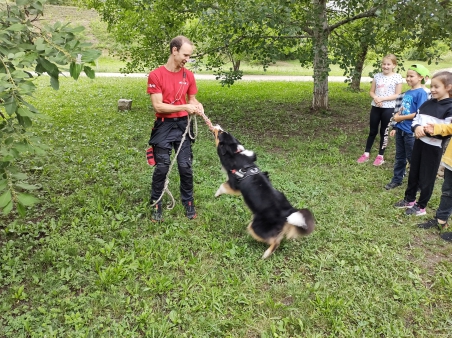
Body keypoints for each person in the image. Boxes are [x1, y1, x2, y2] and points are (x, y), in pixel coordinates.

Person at [147, 36, 203, 222]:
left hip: (182, 126)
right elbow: (158, 106)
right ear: (174, 51)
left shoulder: (189, 76)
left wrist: (196, 105)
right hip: (164, 126)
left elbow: (192, 99)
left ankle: (188, 203)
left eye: (189, 55)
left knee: (185, 167)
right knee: (162, 167)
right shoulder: (156, 75)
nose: (187, 59)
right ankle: (157, 202)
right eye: (185, 55)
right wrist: (184, 107)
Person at [394, 71, 452, 216]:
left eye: (436, 87)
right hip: (419, 143)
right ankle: (409, 199)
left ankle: (421, 207)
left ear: (448, 87)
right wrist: (417, 128)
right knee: (414, 172)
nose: (432, 89)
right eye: (431, 86)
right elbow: (415, 120)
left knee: (427, 177)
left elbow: (447, 130)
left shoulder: (450, 107)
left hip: (433, 148)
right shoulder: (427, 103)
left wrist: (425, 131)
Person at [385, 64, 429, 190]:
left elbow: (419, 113)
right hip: (401, 130)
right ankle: (397, 179)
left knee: (412, 158)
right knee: (399, 157)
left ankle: (419, 183)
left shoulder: (421, 93)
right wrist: (396, 124)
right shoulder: (408, 92)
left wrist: (400, 118)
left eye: (411, 76)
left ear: (420, 77)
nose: (408, 78)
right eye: (407, 76)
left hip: (411, 132)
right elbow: (403, 110)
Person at [357, 54, 403, 166]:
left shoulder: (398, 77)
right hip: (376, 107)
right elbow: (372, 91)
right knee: (372, 131)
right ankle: (366, 153)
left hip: (389, 108)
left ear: (394, 65)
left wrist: (383, 98)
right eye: (384, 64)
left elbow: (398, 94)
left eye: (388, 64)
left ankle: (380, 156)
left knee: (384, 132)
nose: (386, 66)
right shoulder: (377, 76)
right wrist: (376, 98)